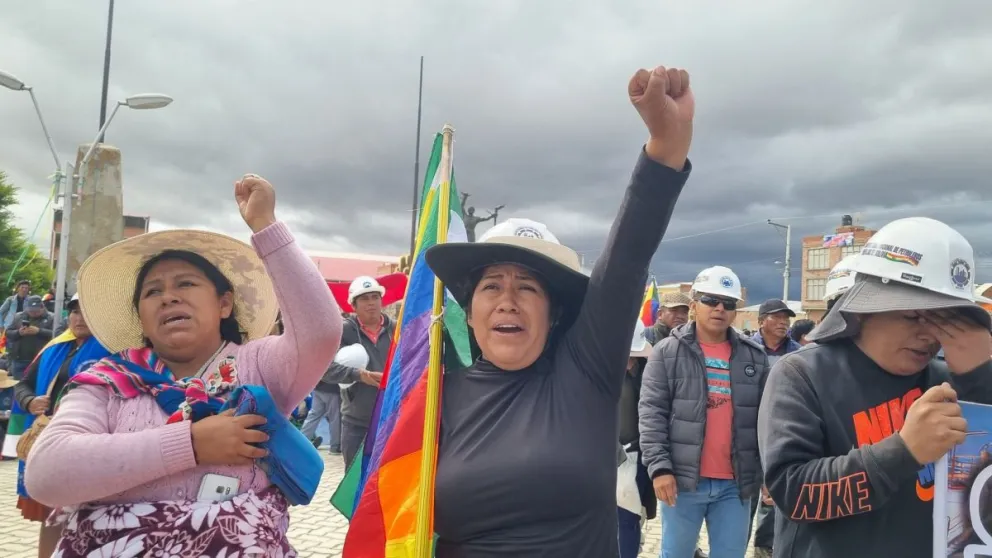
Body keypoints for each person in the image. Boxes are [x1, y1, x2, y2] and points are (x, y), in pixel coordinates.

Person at [422, 64, 693, 557]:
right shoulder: (434, 394)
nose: (507, 299)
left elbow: (627, 257)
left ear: (553, 314)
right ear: (471, 312)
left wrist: (666, 144)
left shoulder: (585, 372)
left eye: (527, 286)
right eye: (491, 285)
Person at [24, 174, 342, 556]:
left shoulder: (258, 364)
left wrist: (265, 225)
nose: (169, 297)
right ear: (142, 319)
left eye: (186, 284)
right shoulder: (107, 381)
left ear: (224, 303)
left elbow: (321, 332)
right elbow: (46, 473)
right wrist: (191, 444)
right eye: (153, 291)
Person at [758, 217, 992, 557]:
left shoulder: (950, 380)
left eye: (946, 320)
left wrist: (980, 380)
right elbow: (792, 493)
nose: (930, 334)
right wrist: (904, 452)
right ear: (864, 310)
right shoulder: (802, 373)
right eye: (914, 316)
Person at [639, 265, 769, 558]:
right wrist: (660, 468)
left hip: (735, 485)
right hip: (682, 483)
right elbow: (651, 414)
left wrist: (768, 473)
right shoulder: (667, 353)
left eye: (728, 303)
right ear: (695, 304)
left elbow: (767, 422)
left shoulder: (755, 357)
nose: (719, 308)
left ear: (735, 311)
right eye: (711, 300)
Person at [10, 293, 110, 557]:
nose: (80, 318)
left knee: (83, 513)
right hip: (49, 441)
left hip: (89, 443)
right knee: (51, 515)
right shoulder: (55, 347)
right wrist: (30, 401)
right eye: (74, 312)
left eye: (87, 311)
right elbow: (23, 384)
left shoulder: (116, 351)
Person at [748, 299, 803, 558]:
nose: (783, 322)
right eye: (777, 317)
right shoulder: (745, 349)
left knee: (774, 500)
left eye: (786, 318)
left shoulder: (797, 354)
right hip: (747, 434)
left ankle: (764, 549)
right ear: (761, 321)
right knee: (744, 501)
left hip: (780, 433)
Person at [324, 275, 395, 465]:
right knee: (355, 478)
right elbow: (324, 368)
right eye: (364, 298)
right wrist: (358, 375)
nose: (371, 303)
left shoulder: (397, 329)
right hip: (356, 423)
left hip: (391, 420)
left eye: (375, 297)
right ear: (353, 305)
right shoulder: (342, 331)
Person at [618, 320, 657, 558]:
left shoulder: (646, 370)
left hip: (641, 457)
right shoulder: (597, 372)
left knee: (632, 518)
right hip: (608, 458)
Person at [5, 295, 54, 380]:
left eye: (36, 311)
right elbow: (8, 333)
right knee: (18, 385)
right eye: (31, 311)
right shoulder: (18, 316)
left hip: (40, 360)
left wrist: (39, 331)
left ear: (42, 307)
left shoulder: (51, 318)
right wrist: (19, 332)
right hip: (19, 360)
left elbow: (57, 335)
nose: (33, 313)